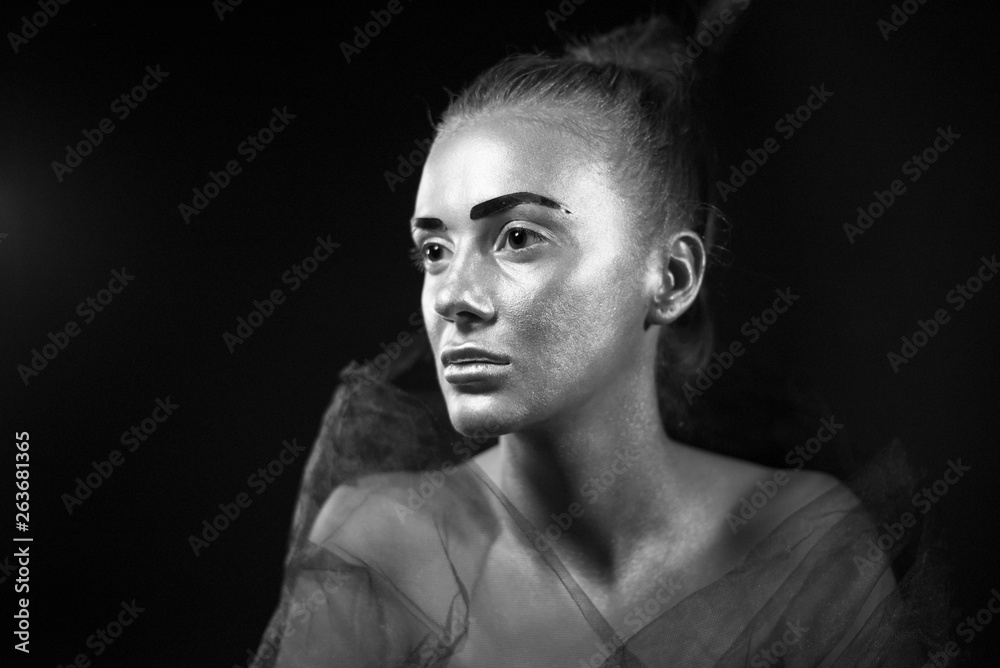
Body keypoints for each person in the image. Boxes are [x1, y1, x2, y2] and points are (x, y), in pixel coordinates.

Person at [251, 7, 946, 667]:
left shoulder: (803, 542)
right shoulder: (381, 547)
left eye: (517, 238)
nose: (452, 296)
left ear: (671, 277)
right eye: (434, 250)